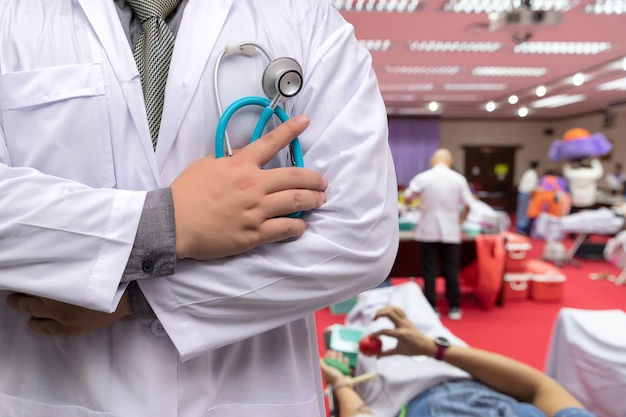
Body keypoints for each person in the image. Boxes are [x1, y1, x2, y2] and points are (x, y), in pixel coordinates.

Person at [0, 2, 399, 417]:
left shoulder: (303, 17)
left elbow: (360, 233)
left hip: (248, 392)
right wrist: (165, 224)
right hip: (51, 390)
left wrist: (137, 297)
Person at [321, 305, 595, 417]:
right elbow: (541, 387)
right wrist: (434, 348)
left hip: (397, 395)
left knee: (369, 315)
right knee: (409, 311)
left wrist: (342, 385)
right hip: (467, 376)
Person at [404, 149, 474, 320]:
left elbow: (407, 197)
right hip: (451, 231)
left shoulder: (423, 177)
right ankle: (454, 307)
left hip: (427, 230)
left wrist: (418, 205)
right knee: (452, 269)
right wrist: (460, 221)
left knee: (430, 270)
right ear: (450, 162)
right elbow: (469, 204)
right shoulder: (458, 179)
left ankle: (431, 307)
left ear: (432, 161)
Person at [516, 160, 540, 234]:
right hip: (526, 194)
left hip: (522, 193)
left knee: (521, 211)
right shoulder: (532, 174)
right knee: (525, 212)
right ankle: (522, 229)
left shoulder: (527, 173)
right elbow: (531, 188)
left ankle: (521, 228)